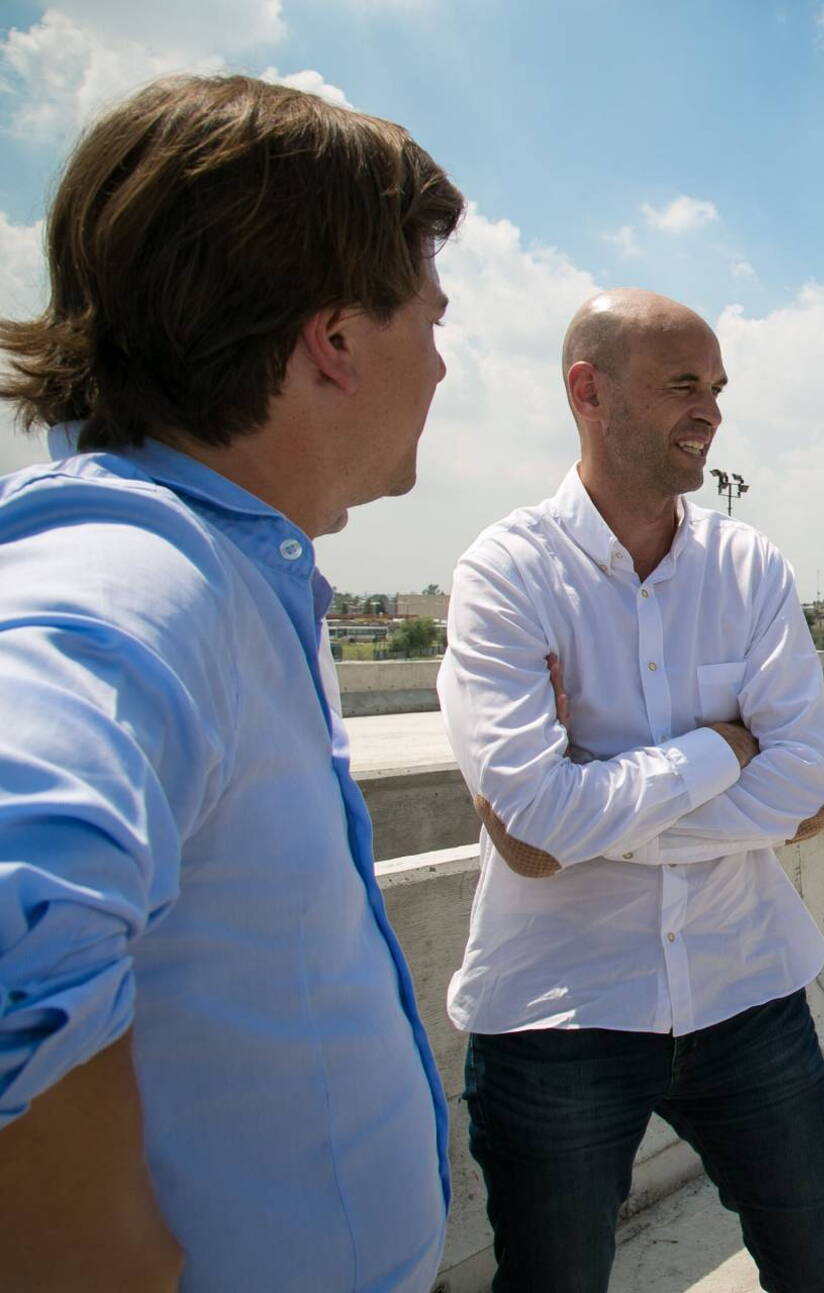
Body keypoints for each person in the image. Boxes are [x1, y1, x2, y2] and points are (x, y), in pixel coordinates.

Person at [0, 76, 462, 1290]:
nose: (445, 366)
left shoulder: (228, 566)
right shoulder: (131, 579)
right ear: (336, 340)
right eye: (430, 318)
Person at [436, 290, 824, 1293]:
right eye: (679, 386)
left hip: (746, 992)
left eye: (713, 389)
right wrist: (720, 748)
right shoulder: (507, 574)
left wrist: (584, 812)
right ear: (587, 390)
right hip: (558, 1021)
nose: (707, 412)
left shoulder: (745, 566)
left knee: (819, 1274)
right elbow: (536, 828)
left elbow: (807, 787)